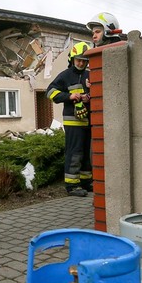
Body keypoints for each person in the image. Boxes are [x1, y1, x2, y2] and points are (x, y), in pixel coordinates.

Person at [47, 42, 93, 197]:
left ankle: (86, 182)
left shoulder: (89, 75)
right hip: (73, 122)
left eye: (83, 60)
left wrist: (89, 97)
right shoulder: (65, 76)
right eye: (78, 60)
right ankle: (72, 186)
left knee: (86, 152)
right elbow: (50, 92)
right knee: (74, 153)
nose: (80, 63)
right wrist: (69, 96)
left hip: (88, 120)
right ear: (72, 59)